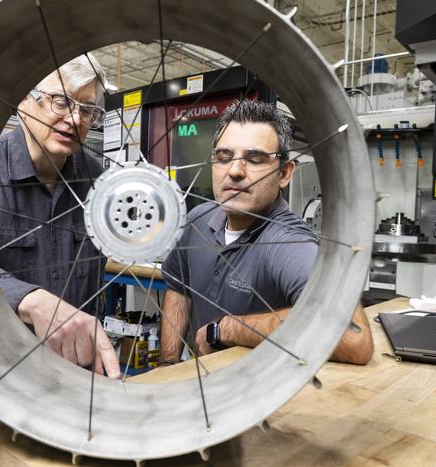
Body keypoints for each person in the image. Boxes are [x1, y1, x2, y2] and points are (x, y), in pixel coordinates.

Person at [0, 55, 119, 466]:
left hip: (72, 375)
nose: (75, 119)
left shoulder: (97, 177)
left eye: (88, 109)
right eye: (61, 102)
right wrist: (32, 300)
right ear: (24, 101)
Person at [159, 100, 373, 365]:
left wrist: (227, 329)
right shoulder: (196, 221)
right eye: (224, 157)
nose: (235, 171)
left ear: (284, 173)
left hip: (256, 399)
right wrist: (168, 364)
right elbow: (178, 289)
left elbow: (355, 338)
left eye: (255, 159)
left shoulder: (286, 242)